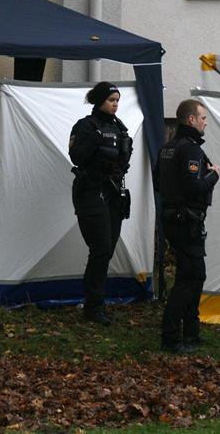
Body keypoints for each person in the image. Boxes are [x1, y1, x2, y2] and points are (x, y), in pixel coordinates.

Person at [156, 99, 220, 354]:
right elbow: (195, 185)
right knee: (188, 278)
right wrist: (214, 173)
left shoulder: (167, 147)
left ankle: (191, 332)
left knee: (197, 274)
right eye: (202, 117)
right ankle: (171, 337)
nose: (205, 122)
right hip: (186, 221)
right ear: (191, 119)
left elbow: (159, 182)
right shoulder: (191, 149)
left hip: (173, 218)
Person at [68, 81, 133, 326]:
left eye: (117, 100)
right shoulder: (85, 126)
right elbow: (76, 156)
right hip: (90, 191)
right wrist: (96, 140)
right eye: (111, 100)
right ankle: (94, 306)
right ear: (99, 101)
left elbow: (124, 159)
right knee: (101, 248)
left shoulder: (120, 128)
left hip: (113, 192)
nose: (115, 105)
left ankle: (95, 304)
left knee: (106, 250)